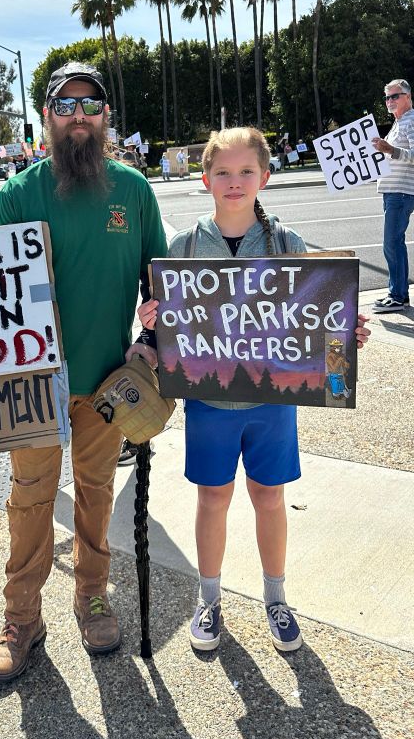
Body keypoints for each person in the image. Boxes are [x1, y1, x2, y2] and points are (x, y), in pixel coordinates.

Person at [137, 127, 370, 654]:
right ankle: (210, 597)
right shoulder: (185, 246)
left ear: (265, 177)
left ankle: (276, 597)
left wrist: (345, 334)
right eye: (223, 171)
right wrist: (150, 322)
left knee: (270, 497)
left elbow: (320, 318)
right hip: (209, 403)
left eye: (246, 172)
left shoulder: (286, 243)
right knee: (213, 498)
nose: (234, 181)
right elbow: (161, 328)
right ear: (205, 180)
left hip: (272, 403)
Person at [0, 61, 167, 683]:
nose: (79, 117)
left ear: (107, 117)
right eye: (66, 106)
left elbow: (163, 284)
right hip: (31, 381)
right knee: (31, 497)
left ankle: (92, 593)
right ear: (46, 118)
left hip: (106, 378)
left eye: (91, 106)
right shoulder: (16, 195)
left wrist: (150, 337)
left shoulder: (133, 191)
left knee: (95, 494)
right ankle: (22, 617)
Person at [370, 78, 414, 313]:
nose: (390, 101)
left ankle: (397, 295)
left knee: (392, 243)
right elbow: (396, 156)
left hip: (403, 191)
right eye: (387, 97)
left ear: (408, 96)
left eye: (395, 96)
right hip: (394, 191)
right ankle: (399, 295)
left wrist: (390, 150)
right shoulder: (400, 122)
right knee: (395, 243)